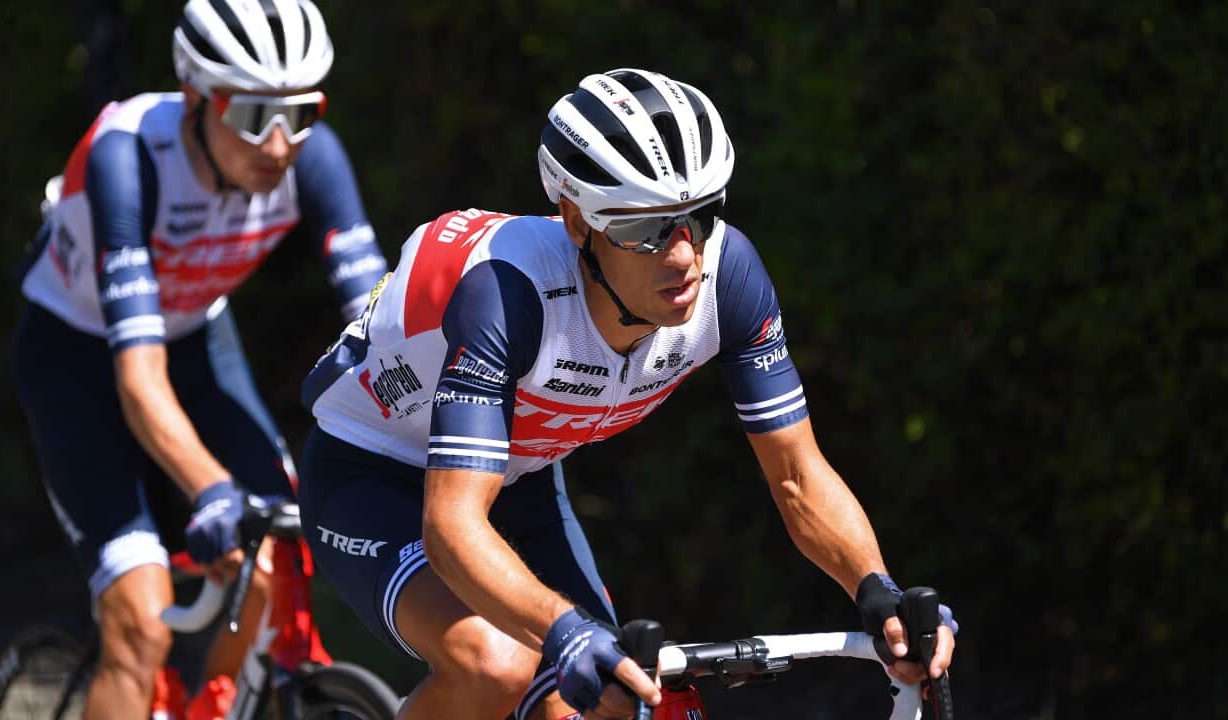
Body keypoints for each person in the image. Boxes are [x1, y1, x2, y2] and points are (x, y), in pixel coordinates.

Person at [297, 67, 957, 720]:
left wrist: (878, 591)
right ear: (577, 222)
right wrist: (563, 628)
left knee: (617, 702)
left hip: (517, 475)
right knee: (494, 666)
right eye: (646, 230)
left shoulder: (729, 279)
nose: (682, 256)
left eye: (699, 217)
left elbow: (797, 476)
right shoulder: (507, 294)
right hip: (372, 477)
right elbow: (451, 525)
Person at [13, 1, 387, 717]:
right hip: (76, 358)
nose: (280, 145)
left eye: (301, 113)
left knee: (278, 561)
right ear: (195, 97)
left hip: (192, 341)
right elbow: (137, 380)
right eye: (252, 115)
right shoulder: (126, 157)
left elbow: (379, 326)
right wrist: (212, 489)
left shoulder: (316, 159)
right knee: (140, 618)